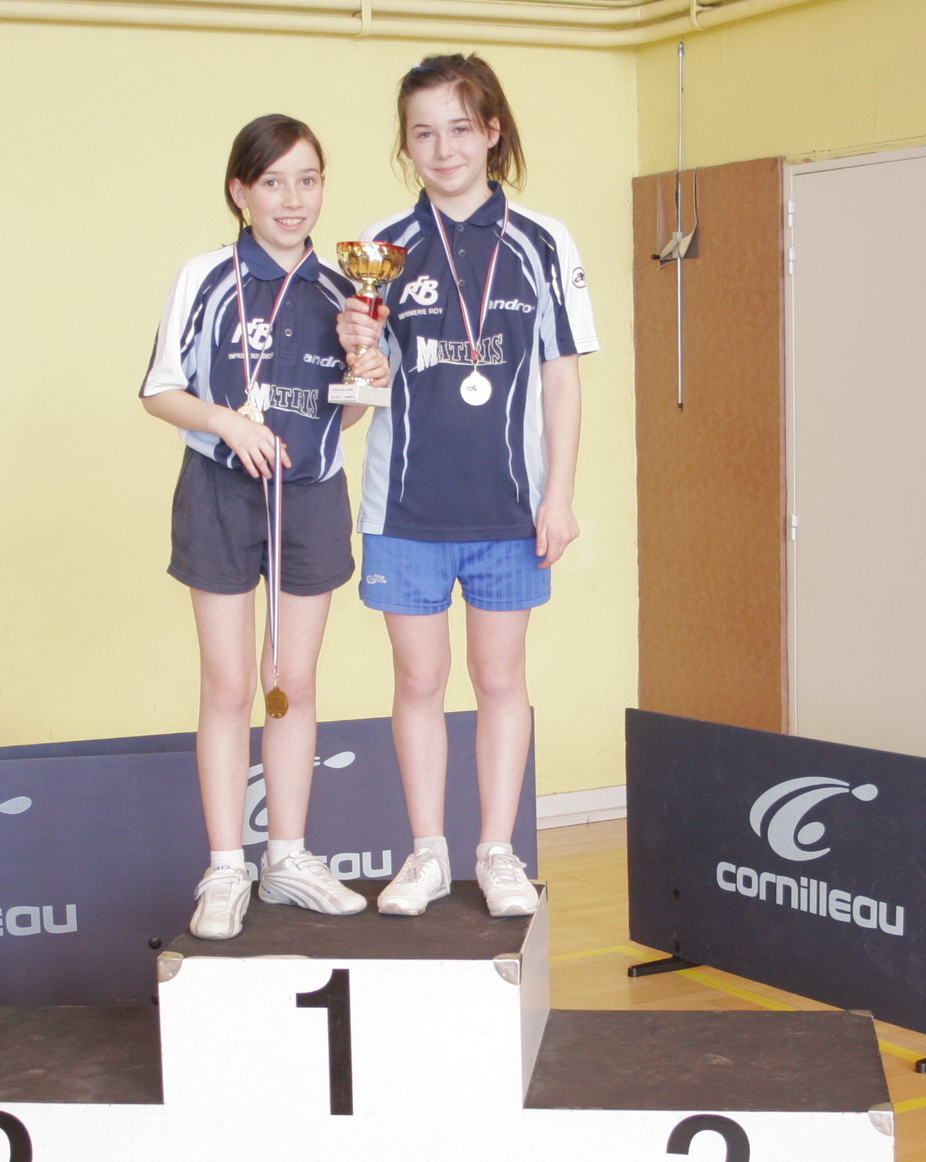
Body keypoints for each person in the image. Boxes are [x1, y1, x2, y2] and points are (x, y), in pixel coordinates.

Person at [339, 54, 598, 918]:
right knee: (419, 682)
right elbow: (359, 401)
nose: (443, 148)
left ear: (492, 132)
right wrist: (359, 357)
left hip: (509, 511)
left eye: (459, 128)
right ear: (405, 144)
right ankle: (425, 853)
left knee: (499, 678)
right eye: (423, 133)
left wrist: (558, 497)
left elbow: (561, 378)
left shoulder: (543, 242)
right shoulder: (382, 247)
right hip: (405, 510)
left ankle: (496, 852)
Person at [141, 114, 390, 940]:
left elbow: (342, 419)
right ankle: (225, 867)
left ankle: (287, 857)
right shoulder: (207, 276)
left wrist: (367, 373)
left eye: (308, 180)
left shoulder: (346, 290)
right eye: (274, 182)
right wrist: (226, 423)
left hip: (310, 497)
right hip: (218, 492)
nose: (293, 199)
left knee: (294, 682)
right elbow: (159, 390)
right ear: (240, 191)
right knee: (228, 686)